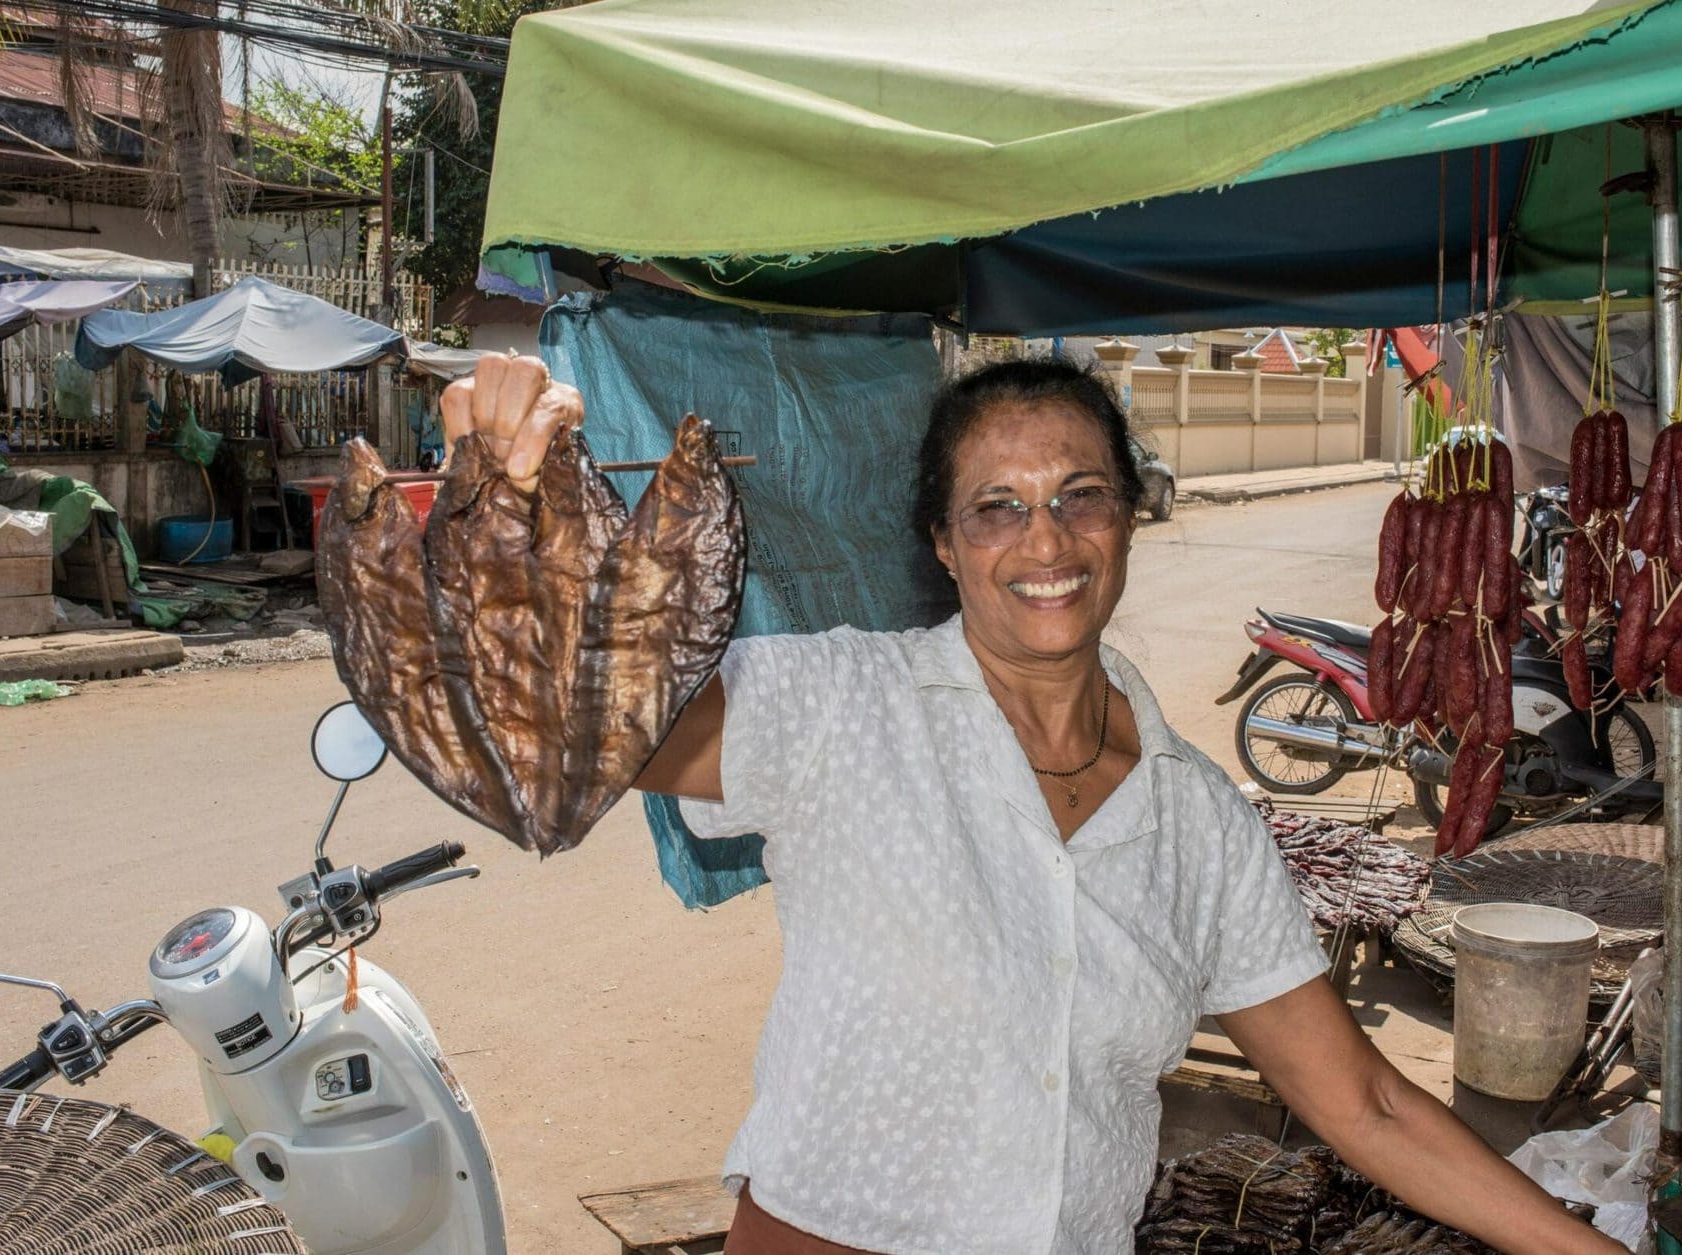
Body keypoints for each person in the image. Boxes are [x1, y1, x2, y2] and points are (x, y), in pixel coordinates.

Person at [441, 353, 1620, 1255]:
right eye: (995, 506)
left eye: (1079, 494)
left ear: (1128, 519)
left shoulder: (1199, 818)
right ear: (944, 546)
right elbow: (570, 723)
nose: (1044, 538)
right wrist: (500, 510)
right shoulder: (841, 703)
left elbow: (1360, 1099)